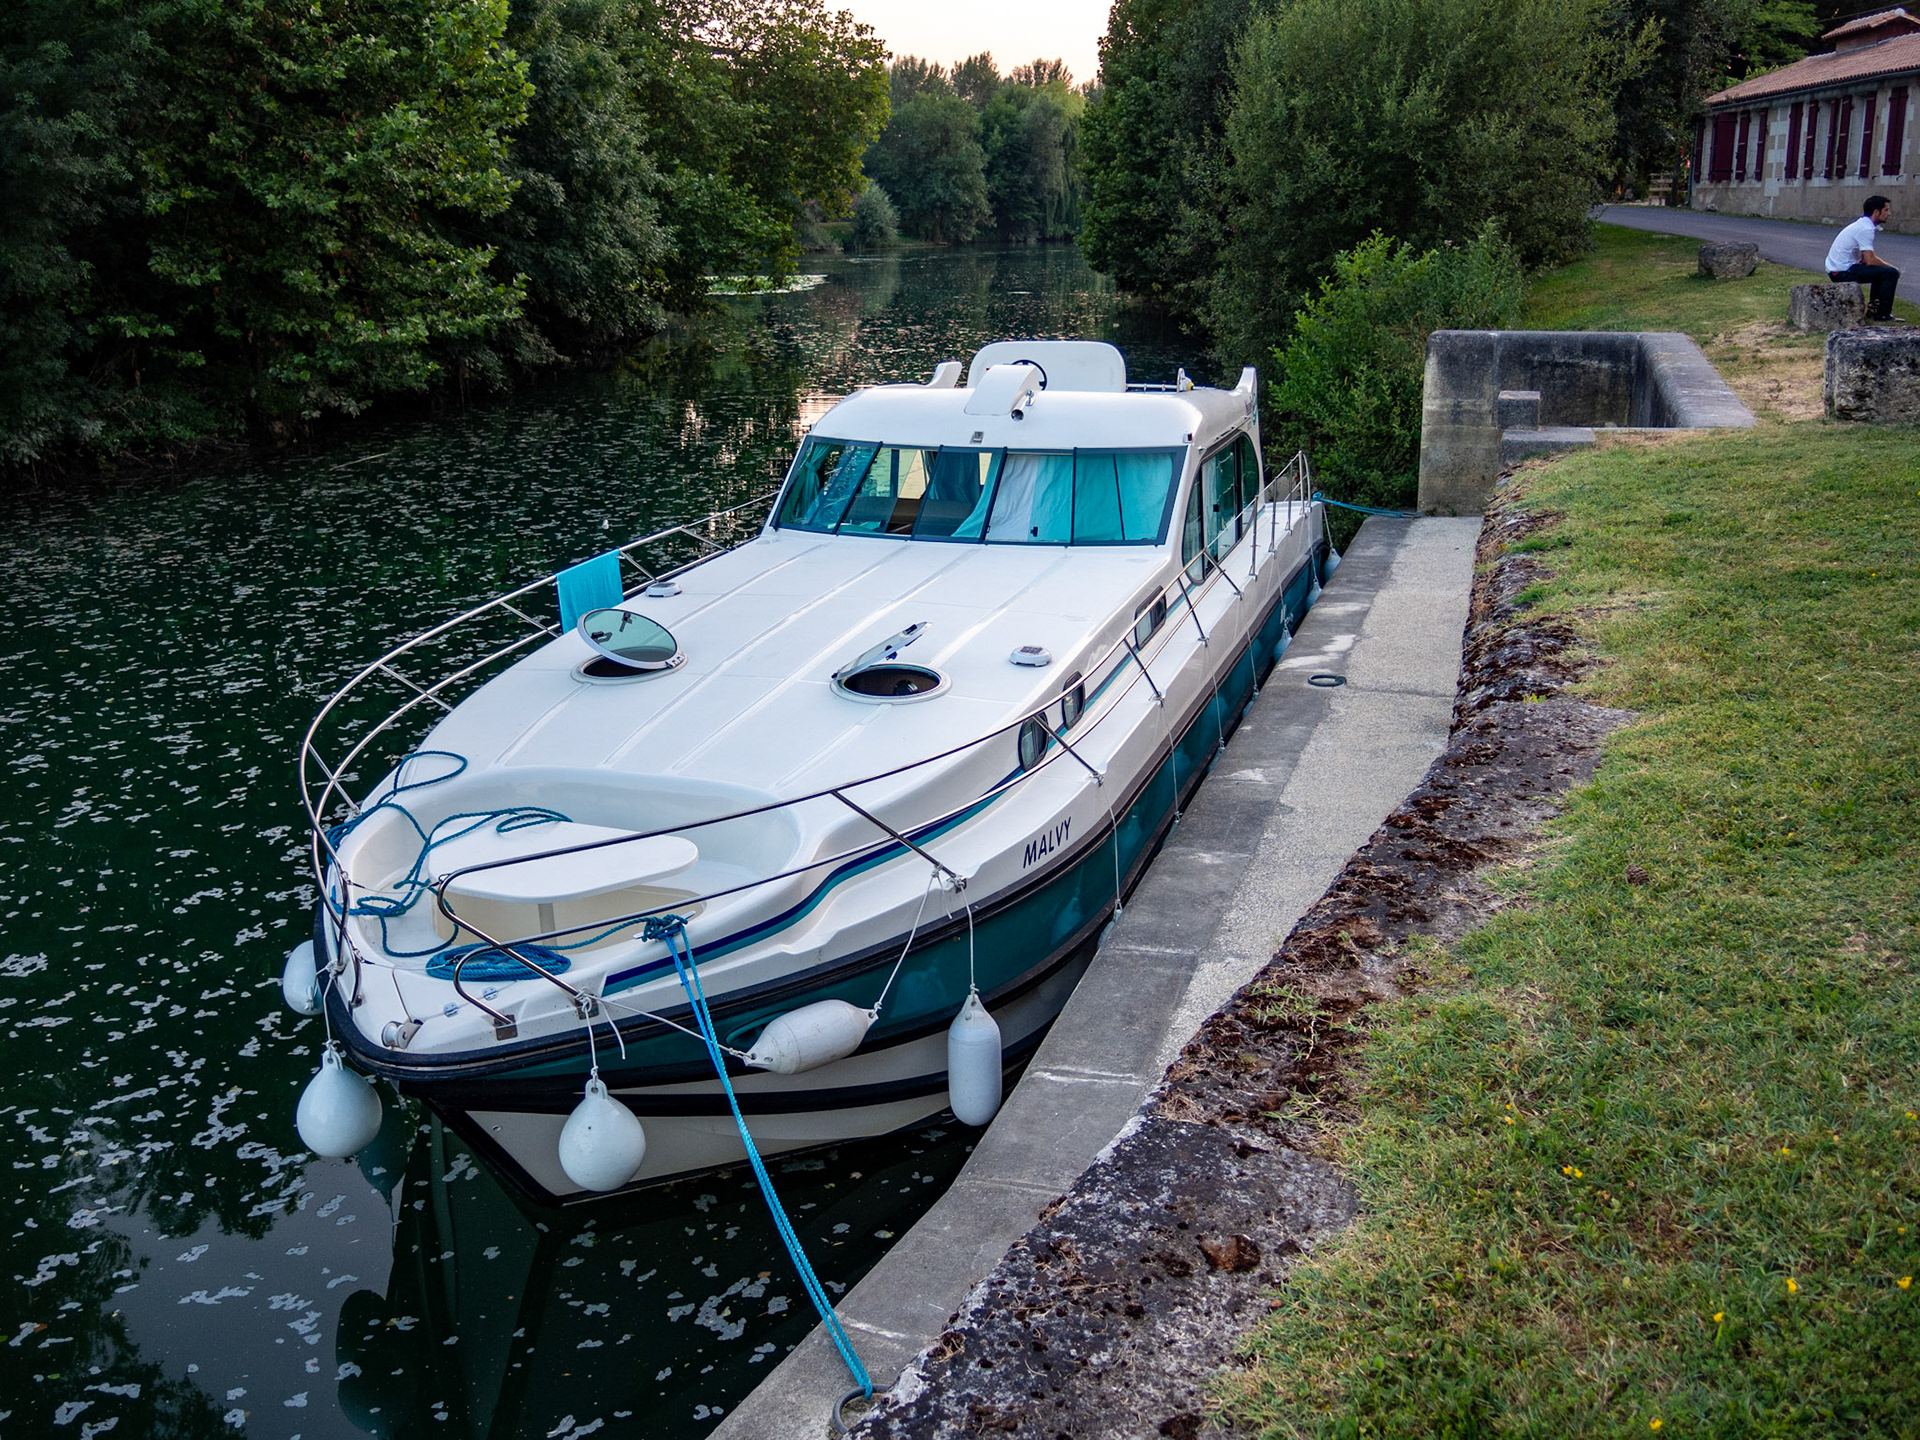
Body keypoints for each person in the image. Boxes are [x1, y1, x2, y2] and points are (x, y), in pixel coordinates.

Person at [1826, 196, 1900, 321]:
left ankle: (1875, 309)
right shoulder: (1865, 229)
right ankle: (1883, 314)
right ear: (1876, 212)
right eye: (1886, 210)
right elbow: (1870, 260)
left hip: (1839, 269)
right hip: (1842, 272)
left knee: (1881, 271)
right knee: (1891, 273)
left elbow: (1866, 260)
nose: (1889, 213)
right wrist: (1893, 267)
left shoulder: (1862, 225)